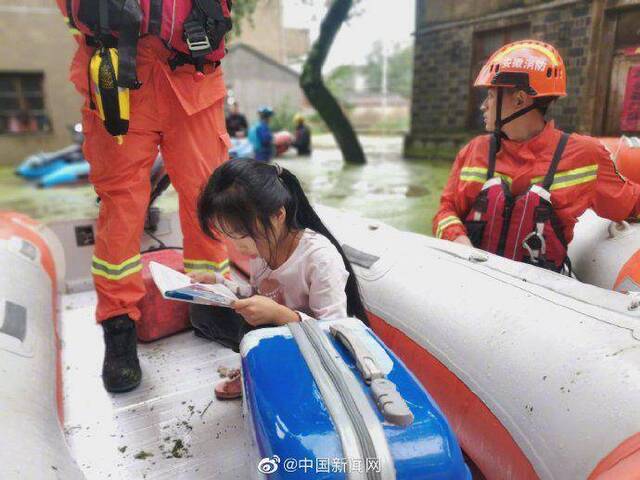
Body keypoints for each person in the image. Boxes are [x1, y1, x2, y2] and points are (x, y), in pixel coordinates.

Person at [55, 2, 232, 393]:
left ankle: (210, 304)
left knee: (209, 197)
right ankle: (119, 328)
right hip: (116, 77)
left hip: (193, 78)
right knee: (120, 210)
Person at [433, 40, 640, 273]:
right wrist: (460, 244)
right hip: (474, 278)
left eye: (491, 96)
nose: (483, 106)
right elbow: (446, 211)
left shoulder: (585, 156)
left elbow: (630, 203)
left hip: (541, 292)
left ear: (520, 100)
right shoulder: (473, 152)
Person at [189, 158, 368, 399]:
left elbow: (333, 332)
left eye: (241, 235)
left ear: (278, 215)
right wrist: (219, 283)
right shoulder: (261, 247)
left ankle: (272, 375)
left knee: (256, 328)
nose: (237, 246)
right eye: (228, 236)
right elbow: (259, 294)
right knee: (203, 312)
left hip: (313, 348)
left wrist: (280, 315)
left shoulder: (319, 258)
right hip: (277, 331)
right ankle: (256, 366)